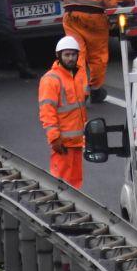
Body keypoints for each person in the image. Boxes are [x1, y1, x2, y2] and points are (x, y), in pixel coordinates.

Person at [39, 35, 88, 189]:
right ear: (59, 56)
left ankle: (73, 210)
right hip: (63, 143)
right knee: (60, 183)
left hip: (77, 142)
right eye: (67, 55)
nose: (71, 58)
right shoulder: (51, 79)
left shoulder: (78, 75)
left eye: (73, 54)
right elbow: (47, 111)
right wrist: (54, 139)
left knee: (75, 183)